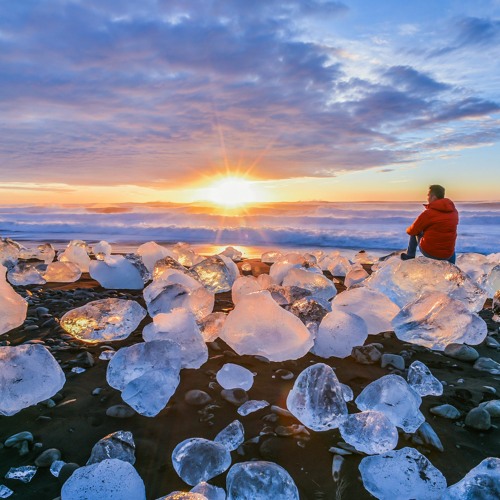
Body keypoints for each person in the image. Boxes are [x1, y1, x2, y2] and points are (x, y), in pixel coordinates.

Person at [401, 185, 458, 264]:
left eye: (428, 195)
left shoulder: (428, 214)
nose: (427, 198)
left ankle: (410, 255)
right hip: (448, 255)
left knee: (416, 231)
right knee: (447, 242)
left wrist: (408, 229)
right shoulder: (454, 212)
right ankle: (452, 264)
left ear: (433, 197)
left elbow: (412, 231)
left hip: (431, 253)